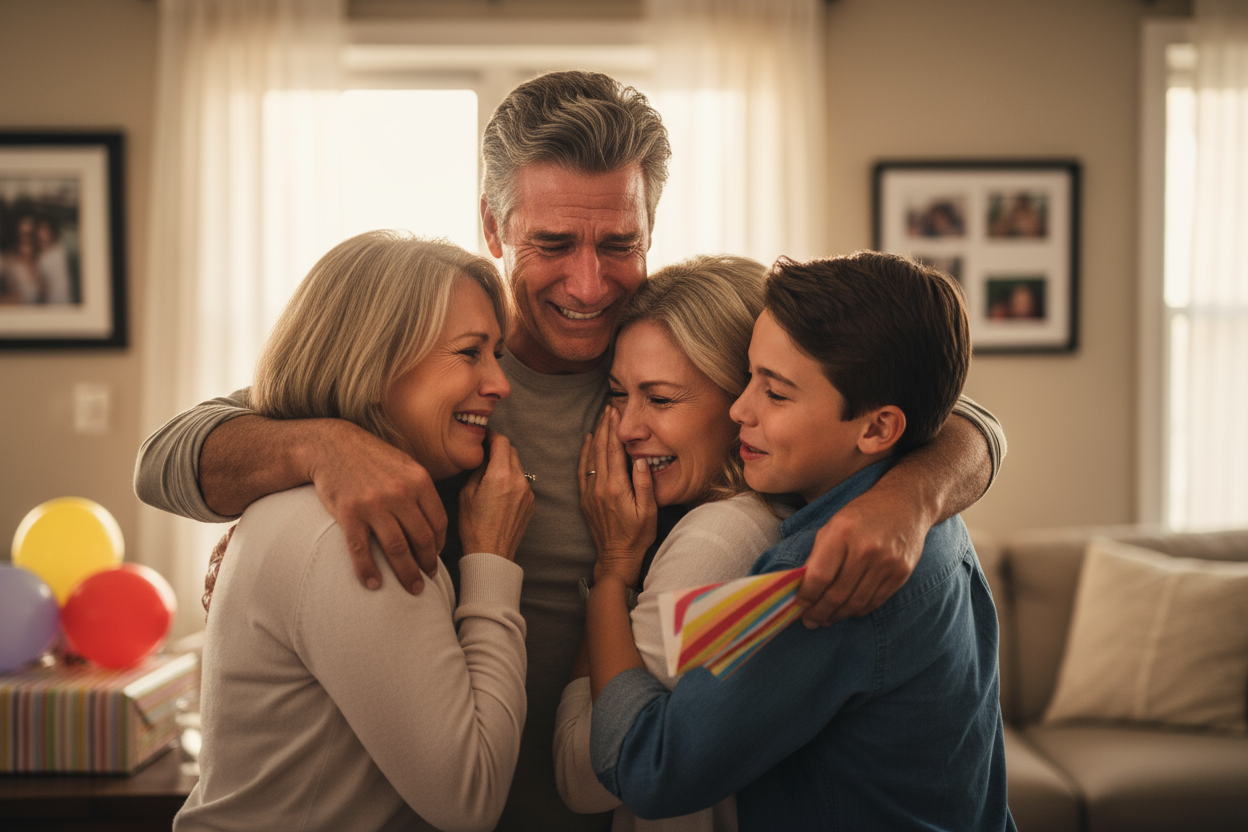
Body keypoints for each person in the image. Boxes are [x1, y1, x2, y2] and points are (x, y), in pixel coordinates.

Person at [136, 71, 1006, 831]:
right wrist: (322, 451)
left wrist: (911, 498)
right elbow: (165, 460)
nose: (589, 284)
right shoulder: (425, 377)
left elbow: (927, 402)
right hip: (449, 800)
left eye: (618, 243)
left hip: (619, 794)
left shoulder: (685, 349)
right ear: (492, 223)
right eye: (551, 244)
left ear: (650, 225)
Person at [587, 252, 1015, 831]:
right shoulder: (925, 506)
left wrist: (611, 576)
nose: (742, 409)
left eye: (776, 393)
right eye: (749, 379)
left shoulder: (820, 579)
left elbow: (650, 767)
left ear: (878, 428)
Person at [174, 231, 535, 832]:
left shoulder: (295, 504)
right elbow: (472, 797)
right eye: (471, 353)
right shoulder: (352, 532)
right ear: (377, 365)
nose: (500, 383)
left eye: (496, 354)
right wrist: (492, 559)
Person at [553, 254, 781, 832]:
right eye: (617, 394)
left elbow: (584, 774)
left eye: (659, 399)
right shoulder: (755, 515)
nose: (627, 426)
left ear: (744, 403)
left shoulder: (720, 538)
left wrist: (612, 571)